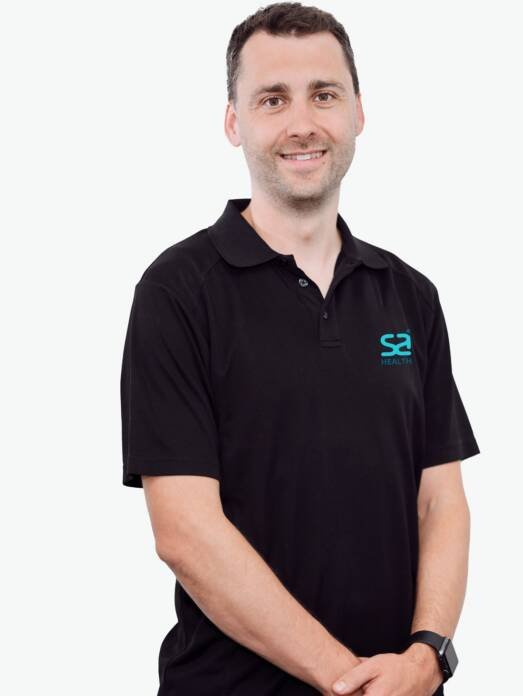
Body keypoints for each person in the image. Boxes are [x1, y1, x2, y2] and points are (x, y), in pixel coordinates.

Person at [120, 3, 481, 695]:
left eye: (324, 94)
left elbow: (441, 501)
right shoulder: (177, 291)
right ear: (234, 122)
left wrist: (428, 656)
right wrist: (350, 682)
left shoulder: (409, 294)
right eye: (272, 99)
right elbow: (186, 531)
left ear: (358, 112)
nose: (302, 123)